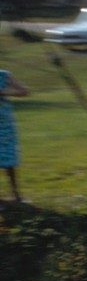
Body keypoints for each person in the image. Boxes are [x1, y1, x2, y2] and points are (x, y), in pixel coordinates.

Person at [0, 69, 31, 203]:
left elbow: (24, 91)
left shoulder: (4, 75)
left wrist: (3, 92)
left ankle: (16, 195)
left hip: (5, 124)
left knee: (9, 157)